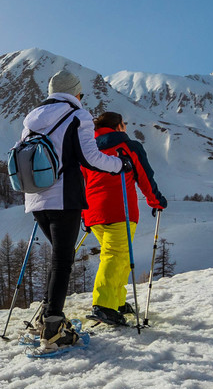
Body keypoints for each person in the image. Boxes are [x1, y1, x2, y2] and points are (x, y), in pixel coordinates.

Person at [21, 69, 124, 348]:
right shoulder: (77, 115)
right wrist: (119, 165)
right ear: (75, 92)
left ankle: (47, 317)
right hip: (63, 198)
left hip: (35, 198)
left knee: (59, 257)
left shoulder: (32, 118)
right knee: (62, 260)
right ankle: (53, 327)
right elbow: (90, 157)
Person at [80, 111, 166, 326]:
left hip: (93, 212)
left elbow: (82, 182)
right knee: (114, 256)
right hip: (119, 210)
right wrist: (155, 200)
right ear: (118, 126)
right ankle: (104, 306)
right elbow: (145, 176)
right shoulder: (128, 146)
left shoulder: (88, 149)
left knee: (121, 257)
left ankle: (117, 302)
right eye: (124, 123)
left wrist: (83, 214)